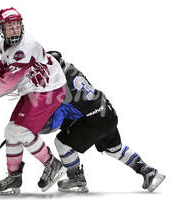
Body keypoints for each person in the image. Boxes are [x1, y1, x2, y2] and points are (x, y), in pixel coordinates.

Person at [0, 8, 67, 195]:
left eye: (16, 26)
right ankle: (14, 177)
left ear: (21, 26)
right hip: (32, 89)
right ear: (2, 29)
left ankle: (53, 165)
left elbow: (10, 81)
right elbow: (12, 77)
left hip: (49, 90)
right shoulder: (3, 46)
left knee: (21, 131)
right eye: (9, 27)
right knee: (11, 131)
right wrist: (2, 71)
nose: (14, 30)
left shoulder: (26, 47)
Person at [38, 51, 166, 192]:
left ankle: (76, 177)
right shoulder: (70, 67)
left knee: (61, 143)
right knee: (115, 149)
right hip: (106, 110)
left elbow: (56, 120)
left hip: (94, 120)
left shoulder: (60, 85)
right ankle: (147, 171)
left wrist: (33, 127)